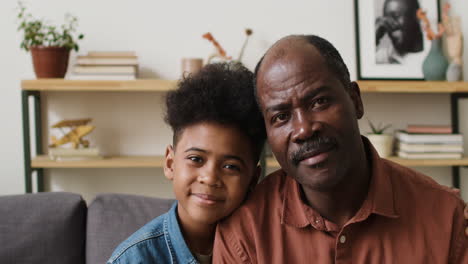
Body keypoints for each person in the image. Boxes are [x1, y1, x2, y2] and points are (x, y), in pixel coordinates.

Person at [213, 35, 467, 263]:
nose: (304, 129)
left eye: (319, 101)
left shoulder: (445, 217)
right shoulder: (245, 235)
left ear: (355, 100)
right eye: (281, 116)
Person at [107, 62, 266, 264]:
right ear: (170, 163)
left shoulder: (266, 248)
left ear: (253, 180)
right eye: (196, 159)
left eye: (230, 166)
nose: (209, 178)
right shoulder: (134, 259)